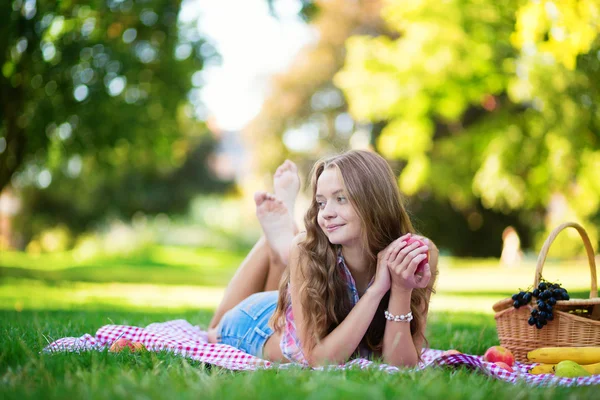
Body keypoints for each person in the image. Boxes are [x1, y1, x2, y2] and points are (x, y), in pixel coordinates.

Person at [207, 150, 439, 367]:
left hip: (297, 303)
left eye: (341, 199)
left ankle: (280, 249)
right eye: (321, 202)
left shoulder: (416, 255)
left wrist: (400, 288)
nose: (326, 212)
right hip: (257, 323)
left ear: (374, 201)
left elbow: (402, 366)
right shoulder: (308, 250)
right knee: (212, 331)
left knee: (295, 257)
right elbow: (319, 361)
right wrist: (377, 289)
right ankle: (277, 244)